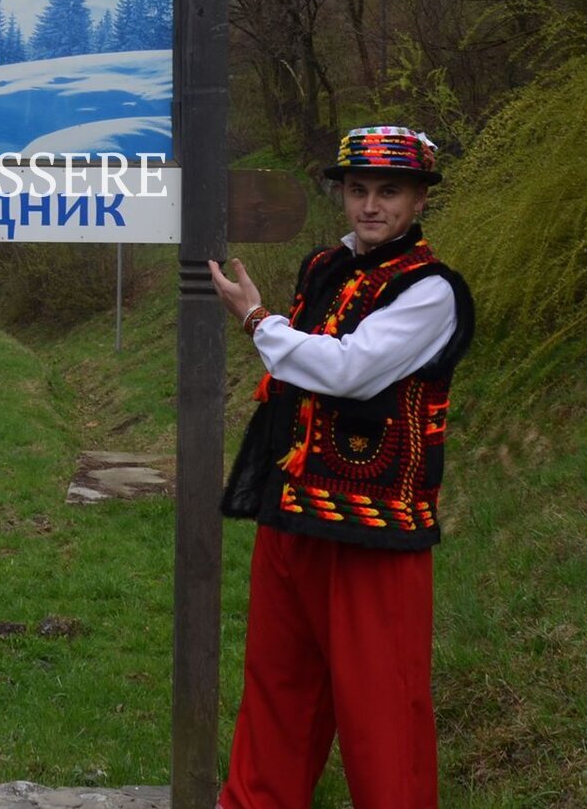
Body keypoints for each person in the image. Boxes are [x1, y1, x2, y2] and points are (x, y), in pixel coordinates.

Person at [207, 126, 475, 809]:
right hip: (294, 510)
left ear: (418, 199)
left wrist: (258, 322)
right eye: (358, 190)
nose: (371, 205)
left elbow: (350, 371)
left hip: (374, 529)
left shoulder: (431, 291)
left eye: (389, 191)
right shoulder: (324, 266)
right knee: (276, 689)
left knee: (382, 709)